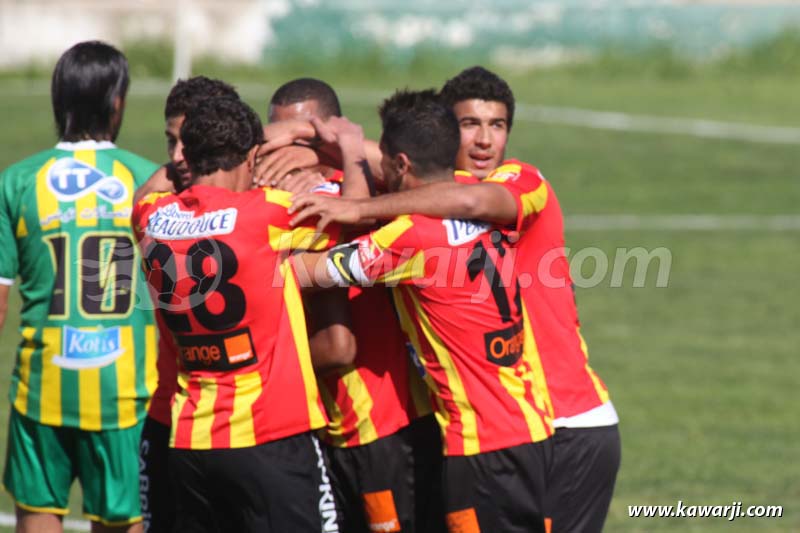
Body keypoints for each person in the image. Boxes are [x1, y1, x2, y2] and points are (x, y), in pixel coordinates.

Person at [290, 66, 622, 533]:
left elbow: (456, 197)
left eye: (498, 125)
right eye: (469, 125)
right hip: (525, 425)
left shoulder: (515, 183)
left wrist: (354, 198)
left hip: (568, 420)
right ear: (445, 133)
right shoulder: (435, 198)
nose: (485, 140)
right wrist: (321, 142)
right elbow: (402, 165)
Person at [132, 96, 353, 532]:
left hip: (190, 440)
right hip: (268, 436)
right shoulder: (268, 213)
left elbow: (147, 192)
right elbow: (350, 217)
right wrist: (334, 147)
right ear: (252, 155)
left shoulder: (152, 218)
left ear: (187, 157)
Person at [266, 78, 444, 532]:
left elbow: (338, 346)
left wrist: (325, 152)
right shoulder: (286, 201)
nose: (285, 152)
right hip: (339, 430)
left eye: (303, 136)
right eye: (278, 137)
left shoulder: (347, 199)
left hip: (377, 429)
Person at [0, 41, 158, 533]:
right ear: (117, 103)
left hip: (42, 389)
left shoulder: (17, 182)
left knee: (38, 516)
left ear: (57, 98)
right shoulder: (148, 180)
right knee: (123, 519)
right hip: (125, 392)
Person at [136, 75, 240, 533]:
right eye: (171, 141)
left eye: (189, 142)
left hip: (250, 428)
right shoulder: (159, 209)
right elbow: (141, 199)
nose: (178, 156)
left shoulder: (264, 207)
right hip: (171, 417)